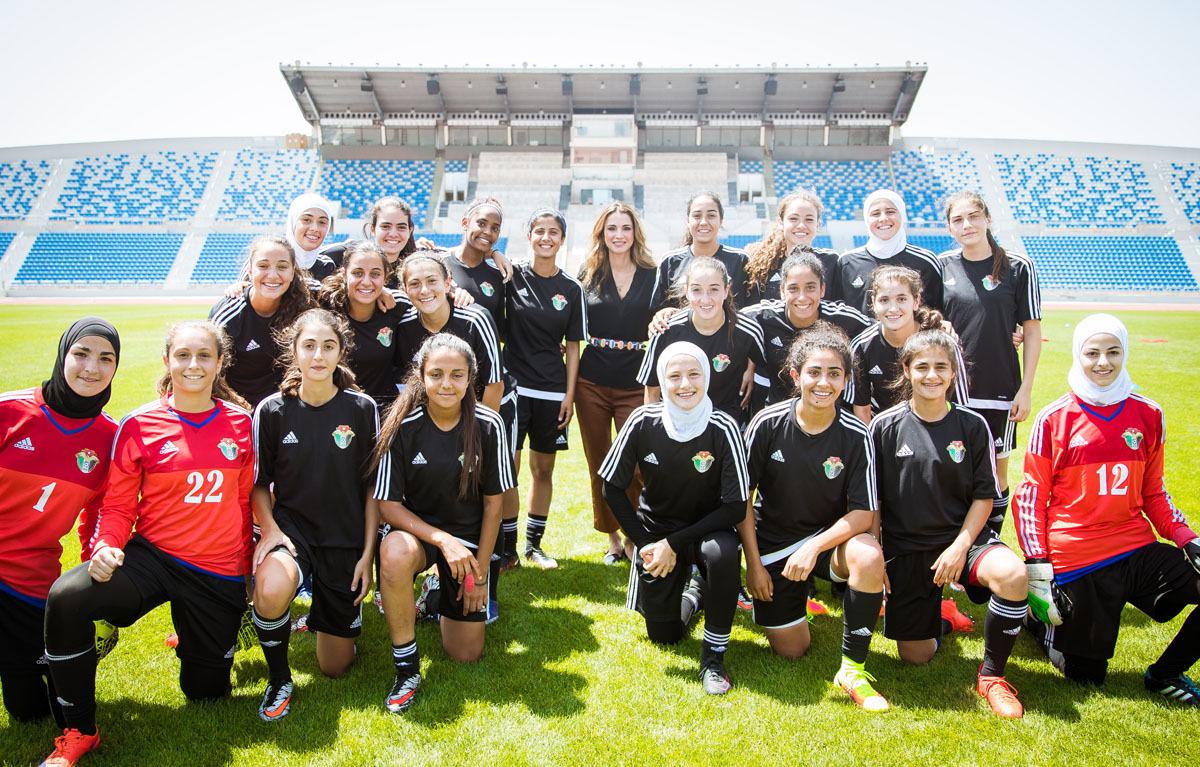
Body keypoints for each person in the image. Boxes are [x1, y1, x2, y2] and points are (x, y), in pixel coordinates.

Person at [40, 321, 255, 766]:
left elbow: (244, 504)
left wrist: (247, 575)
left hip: (216, 570)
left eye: (203, 356)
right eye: (182, 355)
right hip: (153, 558)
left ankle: (203, 634)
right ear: (167, 361)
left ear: (219, 363)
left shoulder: (240, 423)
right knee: (68, 596)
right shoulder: (139, 424)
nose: (192, 365)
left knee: (205, 693)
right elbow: (117, 506)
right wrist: (104, 546)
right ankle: (79, 729)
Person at [1016, 313, 1200, 705]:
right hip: (1076, 556)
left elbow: (1155, 495)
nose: (1103, 362)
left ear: (1125, 353)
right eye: (1092, 353)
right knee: (1087, 676)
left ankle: (1166, 672)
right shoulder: (1053, 419)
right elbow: (1032, 497)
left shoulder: (1149, 414)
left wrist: (1188, 537)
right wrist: (1037, 569)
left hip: (1133, 547)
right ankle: (1036, 621)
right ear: (1077, 356)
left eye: (1113, 352)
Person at [869, 329, 1028, 719]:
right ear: (906, 370)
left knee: (1012, 575)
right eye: (921, 366)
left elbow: (984, 496)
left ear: (954, 373)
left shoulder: (973, 426)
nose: (931, 375)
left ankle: (992, 677)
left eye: (941, 367)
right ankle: (943, 618)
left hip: (964, 540)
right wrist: (876, 555)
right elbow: (871, 501)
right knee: (915, 656)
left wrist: (960, 545)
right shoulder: (884, 427)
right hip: (906, 549)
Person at [739, 326, 889, 711]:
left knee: (869, 554)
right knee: (793, 650)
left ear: (846, 379)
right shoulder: (767, 423)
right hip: (773, 549)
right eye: (814, 372)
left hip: (828, 545)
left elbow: (863, 512)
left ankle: (852, 668)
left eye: (834, 374)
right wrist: (753, 565)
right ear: (795, 376)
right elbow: (742, 501)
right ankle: (792, 602)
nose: (824, 383)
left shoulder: (857, 434)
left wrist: (814, 547)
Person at [249, 309, 380, 722]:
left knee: (334, 667)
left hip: (345, 538)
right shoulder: (271, 410)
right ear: (294, 351)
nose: (318, 355)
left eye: (328, 346)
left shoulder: (362, 408)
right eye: (309, 346)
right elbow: (257, 484)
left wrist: (367, 556)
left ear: (341, 352)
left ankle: (329, 617)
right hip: (294, 532)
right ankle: (279, 678)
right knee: (270, 590)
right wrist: (270, 531)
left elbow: (373, 489)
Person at [373, 334, 514, 714]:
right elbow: (387, 505)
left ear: (471, 379)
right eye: (436, 374)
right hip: (419, 535)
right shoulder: (403, 425)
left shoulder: (489, 425)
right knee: (395, 552)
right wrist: (442, 541)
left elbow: (493, 507)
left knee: (465, 653)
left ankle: (435, 594)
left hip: (469, 543)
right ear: (421, 376)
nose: (446, 384)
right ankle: (406, 666)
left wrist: (480, 573)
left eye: (456, 375)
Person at [599, 341, 749, 695]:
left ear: (707, 377)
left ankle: (713, 657)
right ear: (662, 381)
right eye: (675, 376)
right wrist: (648, 542)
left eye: (693, 374)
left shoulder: (723, 427)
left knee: (722, 553)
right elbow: (611, 488)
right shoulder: (643, 420)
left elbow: (735, 508)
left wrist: (673, 544)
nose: (685, 384)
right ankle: (696, 593)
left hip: (708, 530)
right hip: (657, 533)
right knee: (663, 636)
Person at [0, 319, 119, 727]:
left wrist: (94, 586)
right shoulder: (10, 411)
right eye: (81, 353)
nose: (92, 367)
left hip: (29, 580)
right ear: (63, 355)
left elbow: (100, 517)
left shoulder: (109, 437)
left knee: (29, 710)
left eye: (106, 359)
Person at [941, 192, 1042, 534]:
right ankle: (953, 539)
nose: (966, 225)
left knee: (997, 471)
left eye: (973, 216)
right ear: (949, 227)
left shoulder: (1018, 267)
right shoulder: (944, 266)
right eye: (958, 220)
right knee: (953, 466)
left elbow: (1031, 330)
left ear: (987, 219)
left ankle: (991, 540)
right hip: (952, 391)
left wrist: (1025, 390)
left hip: (1000, 386)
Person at [575, 202, 660, 564]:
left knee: (636, 463)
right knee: (600, 460)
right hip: (591, 380)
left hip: (636, 380)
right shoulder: (587, 272)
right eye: (612, 228)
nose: (619, 235)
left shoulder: (653, 273)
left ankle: (633, 533)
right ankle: (611, 537)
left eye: (625, 228)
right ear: (602, 233)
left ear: (635, 233)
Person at [504, 209, 587, 569]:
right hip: (513, 388)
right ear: (529, 236)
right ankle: (506, 548)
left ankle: (533, 545)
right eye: (539, 231)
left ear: (562, 239)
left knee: (543, 469)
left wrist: (569, 395)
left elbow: (573, 346)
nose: (546, 238)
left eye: (553, 232)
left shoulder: (571, 288)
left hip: (552, 391)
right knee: (508, 467)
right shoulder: (510, 276)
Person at [638, 257, 764, 422]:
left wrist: (751, 368)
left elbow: (766, 371)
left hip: (725, 421)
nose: (705, 299)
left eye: (714, 289)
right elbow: (652, 391)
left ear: (726, 291)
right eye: (697, 290)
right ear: (687, 291)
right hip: (677, 423)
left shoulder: (748, 331)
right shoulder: (665, 329)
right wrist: (653, 431)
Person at [742, 252, 870, 407]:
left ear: (822, 289)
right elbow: (727, 320)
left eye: (810, 287)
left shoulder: (843, 318)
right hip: (780, 414)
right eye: (793, 288)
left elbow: (881, 330)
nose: (802, 297)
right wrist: (748, 368)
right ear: (782, 291)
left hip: (830, 415)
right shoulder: (764, 316)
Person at [846, 266, 967, 423]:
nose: (893, 308)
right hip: (887, 435)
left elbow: (958, 406)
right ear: (873, 303)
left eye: (902, 299)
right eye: (884, 300)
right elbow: (862, 410)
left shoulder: (944, 342)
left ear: (916, 301)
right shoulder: (862, 345)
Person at [210, 235, 315, 408]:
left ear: (292, 271)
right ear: (250, 272)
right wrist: (243, 409)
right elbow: (213, 377)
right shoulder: (228, 317)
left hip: (292, 410)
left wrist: (377, 292)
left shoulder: (305, 300)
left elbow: (345, 290)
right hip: (242, 410)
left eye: (282, 267)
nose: (273, 275)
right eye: (263, 266)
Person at [316, 240, 406, 410]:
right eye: (357, 273)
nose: (366, 281)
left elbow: (431, 299)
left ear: (386, 277)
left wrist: (454, 290)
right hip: (334, 411)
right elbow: (293, 285)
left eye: (375, 274)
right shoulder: (325, 306)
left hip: (382, 413)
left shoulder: (397, 305)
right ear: (344, 275)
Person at [832, 190, 943, 315]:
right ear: (866, 220)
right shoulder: (847, 262)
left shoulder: (926, 261)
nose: (883, 218)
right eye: (875, 213)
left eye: (890, 212)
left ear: (902, 215)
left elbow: (938, 311)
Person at [651, 192, 751, 312]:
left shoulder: (740, 260)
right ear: (688, 221)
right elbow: (657, 312)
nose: (703, 222)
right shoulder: (669, 261)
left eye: (711, 216)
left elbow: (752, 309)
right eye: (697, 216)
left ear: (721, 220)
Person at [744, 189, 840, 305]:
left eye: (809, 219)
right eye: (793, 219)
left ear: (817, 225)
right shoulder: (763, 266)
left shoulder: (831, 261)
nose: (801, 225)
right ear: (781, 223)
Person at [285, 193, 338, 282]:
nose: (315, 228)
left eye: (322, 222)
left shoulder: (327, 267)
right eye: (306, 220)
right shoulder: (276, 261)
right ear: (293, 222)